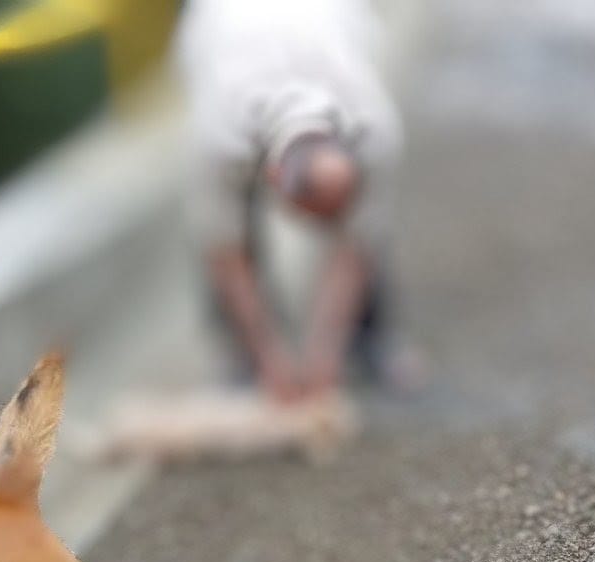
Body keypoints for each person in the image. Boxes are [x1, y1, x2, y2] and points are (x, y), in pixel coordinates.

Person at [175, 0, 418, 402]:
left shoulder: (375, 130)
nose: (324, 230)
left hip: (332, 18)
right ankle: (242, 356)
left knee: (370, 231)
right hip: (220, 23)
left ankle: (368, 337)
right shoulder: (218, 140)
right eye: (317, 217)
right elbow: (225, 253)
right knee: (222, 232)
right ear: (272, 178)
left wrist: (324, 357)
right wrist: (273, 359)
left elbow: (354, 248)